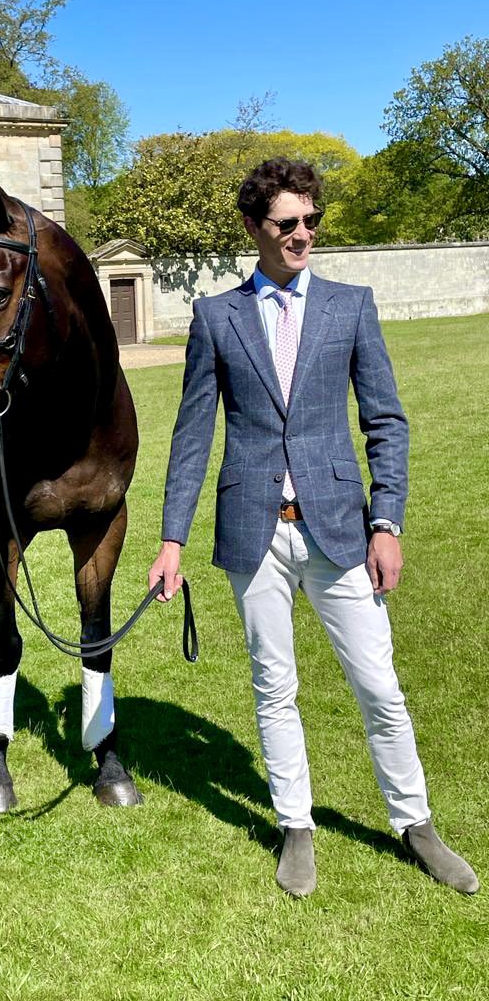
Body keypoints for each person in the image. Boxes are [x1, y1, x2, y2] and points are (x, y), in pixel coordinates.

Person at [149, 157, 478, 898]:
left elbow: (386, 422)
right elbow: (193, 435)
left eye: (311, 221)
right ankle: (295, 824)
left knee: (379, 687)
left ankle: (415, 823)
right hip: (252, 533)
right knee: (274, 685)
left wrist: (386, 521)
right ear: (253, 228)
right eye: (287, 223)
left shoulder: (351, 305)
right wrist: (172, 542)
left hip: (341, 528)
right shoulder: (214, 318)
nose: (303, 235)